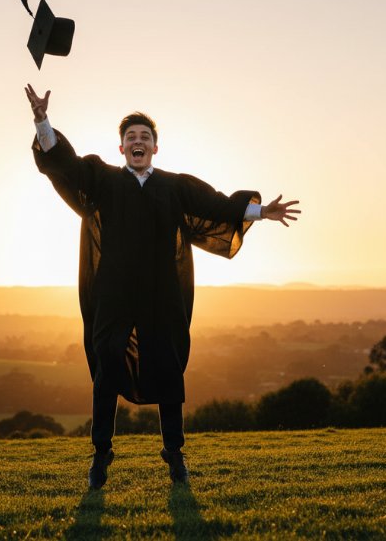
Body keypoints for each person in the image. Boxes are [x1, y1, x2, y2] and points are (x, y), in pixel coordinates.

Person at [24, 84, 301, 488]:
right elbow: (63, 163)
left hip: (163, 295)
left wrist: (260, 212)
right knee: (106, 369)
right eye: (131, 137)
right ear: (121, 149)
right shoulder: (102, 179)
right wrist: (41, 120)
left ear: (156, 147)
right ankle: (100, 455)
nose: (138, 142)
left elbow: (218, 206)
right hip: (113, 296)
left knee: (170, 371)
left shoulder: (176, 186)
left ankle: (175, 454)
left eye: (145, 137)